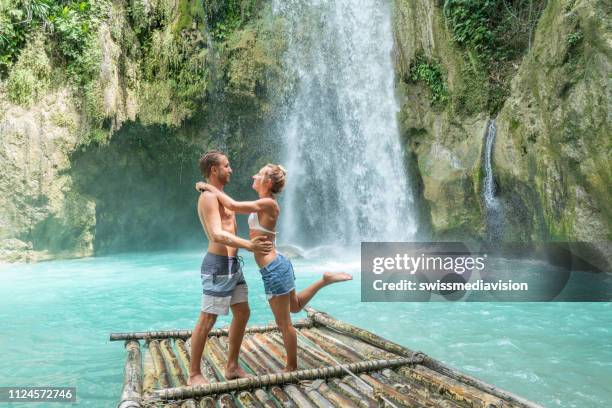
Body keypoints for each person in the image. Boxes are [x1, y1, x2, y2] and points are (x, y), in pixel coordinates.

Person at [196, 164, 352, 372]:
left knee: (284, 323)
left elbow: (233, 206)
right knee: (295, 307)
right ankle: (324, 280)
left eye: (258, 174)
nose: (254, 175)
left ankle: (291, 367)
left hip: (274, 269)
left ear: (268, 182)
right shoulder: (264, 203)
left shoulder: (268, 203)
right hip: (279, 264)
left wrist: (209, 187)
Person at [189, 151, 273, 386]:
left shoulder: (218, 194)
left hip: (232, 266)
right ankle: (194, 373)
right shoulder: (208, 198)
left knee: (243, 312)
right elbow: (217, 233)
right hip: (217, 266)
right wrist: (249, 245)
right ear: (214, 170)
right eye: (227, 166)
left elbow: (234, 209)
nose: (231, 169)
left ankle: (232, 366)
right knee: (207, 319)